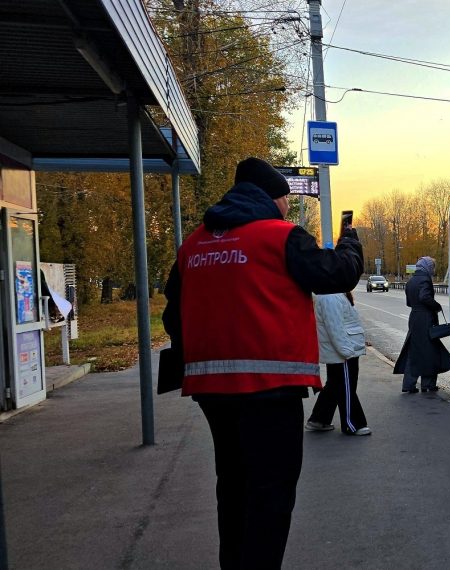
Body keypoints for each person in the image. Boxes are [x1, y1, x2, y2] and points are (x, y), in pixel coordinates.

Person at [162, 156, 362, 568]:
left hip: (211, 392)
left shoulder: (194, 245)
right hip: (271, 390)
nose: (288, 206)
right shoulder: (280, 236)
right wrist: (349, 239)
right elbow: (337, 275)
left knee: (232, 487)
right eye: (285, 199)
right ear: (273, 198)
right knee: (271, 495)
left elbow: (172, 314)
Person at [306, 292, 370, 436]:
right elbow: (335, 328)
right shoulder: (331, 297)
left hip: (341, 351)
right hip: (343, 354)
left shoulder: (332, 295)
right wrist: (347, 352)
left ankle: (318, 419)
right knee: (347, 388)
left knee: (335, 385)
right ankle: (352, 424)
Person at [394, 256, 450, 393]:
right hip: (425, 318)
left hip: (414, 318)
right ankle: (428, 384)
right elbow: (424, 297)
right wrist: (436, 306)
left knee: (414, 352)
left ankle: (408, 384)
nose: (433, 269)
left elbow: (409, 302)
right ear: (427, 267)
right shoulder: (425, 279)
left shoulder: (411, 281)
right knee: (430, 352)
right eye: (432, 267)